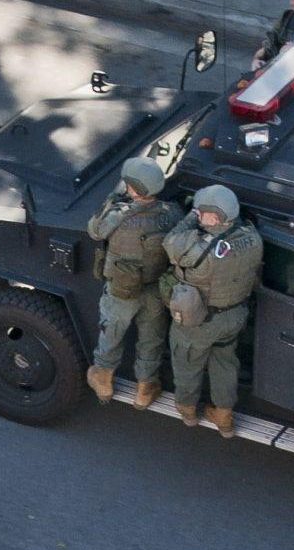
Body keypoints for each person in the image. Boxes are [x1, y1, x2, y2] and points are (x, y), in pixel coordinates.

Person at [162, 185, 263, 438]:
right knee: (225, 363)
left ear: (214, 216)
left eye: (201, 211)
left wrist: (189, 217)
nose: (199, 215)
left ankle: (187, 410)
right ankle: (224, 416)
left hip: (199, 321)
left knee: (187, 363)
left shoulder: (198, 248)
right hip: (234, 316)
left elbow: (170, 242)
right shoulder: (252, 238)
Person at [86, 158, 182, 409]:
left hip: (121, 289)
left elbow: (95, 230)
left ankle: (103, 379)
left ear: (132, 188)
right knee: (152, 338)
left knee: (112, 333)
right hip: (154, 288)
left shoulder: (117, 216)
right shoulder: (171, 214)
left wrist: (112, 200)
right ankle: (145, 388)